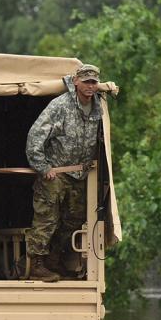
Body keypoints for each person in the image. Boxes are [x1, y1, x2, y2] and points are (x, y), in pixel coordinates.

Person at [25, 63, 103, 282]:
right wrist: (43, 167)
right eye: (86, 81)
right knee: (46, 218)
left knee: (73, 220)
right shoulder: (60, 105)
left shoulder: (98, 107)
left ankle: (54, 261)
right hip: (56, 173)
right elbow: (34, 139)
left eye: (93, 82)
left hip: (80, 175)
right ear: (75, 81)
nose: (90, 86)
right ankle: (36, 264)